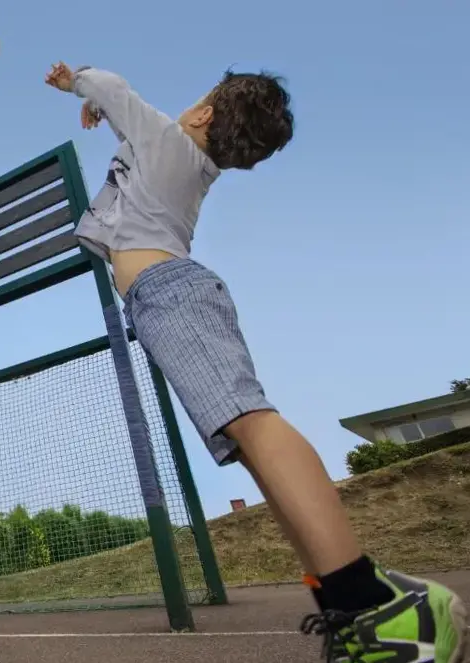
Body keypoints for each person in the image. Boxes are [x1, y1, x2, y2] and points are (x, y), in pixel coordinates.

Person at [45, 62, 467, 662]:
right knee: (247, 440)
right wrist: (103, 110)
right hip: (166, 297)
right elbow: (128, 131)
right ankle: (351, 609)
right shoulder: (181, 160)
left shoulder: (166, 142)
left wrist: (78, 81)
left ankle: (378, 605)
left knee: (252, 422)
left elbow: (116, 91)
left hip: (169, 293)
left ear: (203, 114)